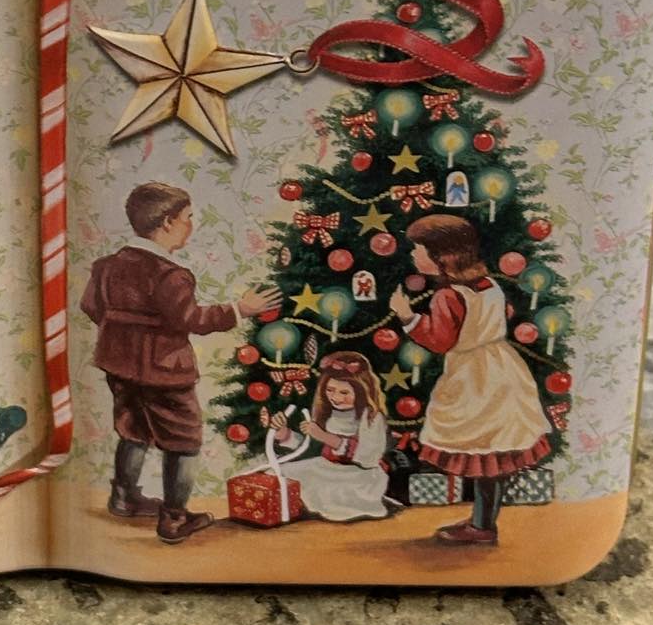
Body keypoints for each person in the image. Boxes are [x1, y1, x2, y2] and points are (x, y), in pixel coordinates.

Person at [81, 182, 279, 543]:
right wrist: (240, 309)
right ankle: (174, 518)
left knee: (132, 428)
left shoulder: (106, 265)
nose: (191, 225)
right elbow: (191, 319)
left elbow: (91, 306)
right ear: (168, 222)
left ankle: (124, 498)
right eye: (188, 217)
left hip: (118, 364)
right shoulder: (170, 274)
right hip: (165, 372)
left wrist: (126, 334)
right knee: (184, 439)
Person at [389, 212, 550, 546]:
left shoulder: (448, 296)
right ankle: (483, 520)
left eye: (418, 249)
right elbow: (503, 315)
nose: (413, 255)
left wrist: (406, 316)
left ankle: (482, 526)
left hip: (472, 376)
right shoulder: (490, 285)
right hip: (502, 367)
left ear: (441, 256)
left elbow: (440, 340)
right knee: (495, 449)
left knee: (482, 447)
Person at [268, 350, 391, 521]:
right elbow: (310, 447)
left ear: (362, 391)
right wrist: (284, 434)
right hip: (327, 467)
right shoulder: (327, 413)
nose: (336, 397)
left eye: (344, 393)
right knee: (278, 472)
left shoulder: (372, 417)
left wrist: (324, 436)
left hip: (359, 475)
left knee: (333, 494)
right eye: (330, 390)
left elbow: (368, 458)